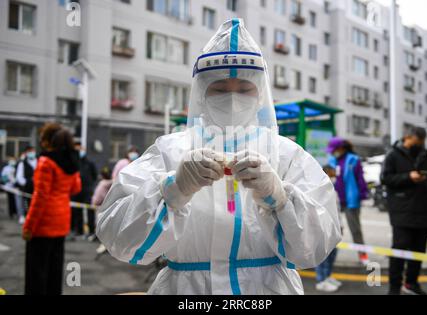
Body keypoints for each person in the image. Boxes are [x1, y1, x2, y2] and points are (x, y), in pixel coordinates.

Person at [96, 19, 341, 295]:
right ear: (202, 92)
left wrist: (280, 197)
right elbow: (116, 236)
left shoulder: (286, 155)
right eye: (220, 88)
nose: (233, 98)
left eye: (245, 89)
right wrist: (173, 190)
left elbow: (318, 243)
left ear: (260, 94)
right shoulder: (169, 151)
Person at [381, 127, 427, 295]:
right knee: (399, 249)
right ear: (407, 137)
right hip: (402, 211)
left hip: (425, 211)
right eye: (417, 142)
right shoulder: (393, 155)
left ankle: (411, 283)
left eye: (422, 142)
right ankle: (394, 287)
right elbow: (385, 179)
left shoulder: (426, 156)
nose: (420, 145)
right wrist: (408, 177)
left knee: (419, 251)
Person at [23, 123, 81, 295]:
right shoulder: (71, 161)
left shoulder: (46, 162)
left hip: (43, 225)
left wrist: (28, 226)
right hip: (61, 222)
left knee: (36, 275)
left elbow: (40, 197)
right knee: (55, 272)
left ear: (49, 141)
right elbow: (75, 189)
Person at [327, 137, 369, 266]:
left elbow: (360, 178)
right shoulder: (332, 161)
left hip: (351, 200)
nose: (332, 152)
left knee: (355, 230)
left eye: (334, 150)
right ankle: (330, 258)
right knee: (334, 230)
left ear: (341, 148)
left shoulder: (353, 160)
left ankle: (363, 256)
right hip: (336, 201)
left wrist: (362, 194)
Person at [315, 165, 342, 293]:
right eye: (332, 174)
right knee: (323, 255)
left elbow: (337, 211)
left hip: (334, 228)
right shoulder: (320, 190)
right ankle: (321, 280)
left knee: (332, 254)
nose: (335, 177)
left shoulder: (333, 190)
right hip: (324, 229)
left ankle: (328, 276)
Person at [71, 142, 98, 239]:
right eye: (77, 150)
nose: (79, 151)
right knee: (76, 211)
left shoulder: (89, 163)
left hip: (87, 190)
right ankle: (79, 231)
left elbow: (94, 175)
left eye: (80, 149)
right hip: (76, 191)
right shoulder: (73, 162)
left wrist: (90, 186)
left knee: (89, 210)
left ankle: (91, 231)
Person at [16, 146, 37, 217]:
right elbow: (19, 177)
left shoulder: (39, 161)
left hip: (38, 187)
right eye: (29, 151)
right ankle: (25, 216)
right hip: (27, 188)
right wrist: (28, 183)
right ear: (26, 153)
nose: (31, 153)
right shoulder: (22, 163)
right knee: (27, 205)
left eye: (32, 151)